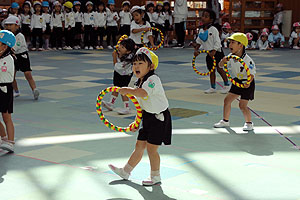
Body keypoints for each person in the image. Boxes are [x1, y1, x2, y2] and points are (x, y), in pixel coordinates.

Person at [108, 47, 172, 186]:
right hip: (148, 116)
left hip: (159, 118)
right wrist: (137, 121)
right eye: (135, 63)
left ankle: (156, 176)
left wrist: (128, 90)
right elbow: (140, 105)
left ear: (151, 66)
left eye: (141, 63)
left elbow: (143, 93)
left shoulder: (153, 79)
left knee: (151, 148)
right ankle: (126, 171)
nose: (136, 66)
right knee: (139, 145)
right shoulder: (137, 82)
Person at [214, 33, 256, 131]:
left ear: (240, 45)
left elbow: (252, 74)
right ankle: (225, 121)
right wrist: (222, 62)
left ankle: (249, 123)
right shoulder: (230, 57)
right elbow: (220, 66)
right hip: (237, 81)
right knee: (227, 100)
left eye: (233, 42)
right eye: (230, 42)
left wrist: (248, 82)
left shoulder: (247, 60)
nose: (230, 45)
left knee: (242, 105)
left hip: (247, 83)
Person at [194, 9, 230, 94]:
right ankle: (212, 87)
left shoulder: (213, 29)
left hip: (217, 52)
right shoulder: (201, 30)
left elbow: (217, 41)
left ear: (211, 20)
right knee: (211, 70)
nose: (203, 18)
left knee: (220, 69)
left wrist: (214, 50)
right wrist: (196, 50)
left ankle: (227, 85)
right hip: (208, 54)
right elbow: (198, 42)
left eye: (206, 16)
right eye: (203, 16)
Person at [5, 16, 39, 100]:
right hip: (13, 56)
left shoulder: (20, 36)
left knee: (27, 74)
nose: (9, 27)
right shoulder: (7, 35)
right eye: (7, 25)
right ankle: (16, 91)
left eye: (11, 25)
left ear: (17, 26)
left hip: (22, 56)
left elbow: (15, 47)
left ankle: (34, 89)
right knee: (11, 76)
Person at [102, 38, 136, 114]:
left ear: (128, 51)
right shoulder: (118, 53)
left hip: (125, 75)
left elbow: (117, 65)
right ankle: (111, 103)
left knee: (122, 90)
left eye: (123, 47)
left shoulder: (129, 58)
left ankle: (127, 107)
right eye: (120, 45)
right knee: (115, 87)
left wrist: (114, 57)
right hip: (118, 72)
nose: (119, 47)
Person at [0, 30, 17, 152]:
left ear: (5, 46)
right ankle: (3, 138)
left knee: (6, 117)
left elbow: (4, 74)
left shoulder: (9, 59)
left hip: (4, 89)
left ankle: (10, 141)